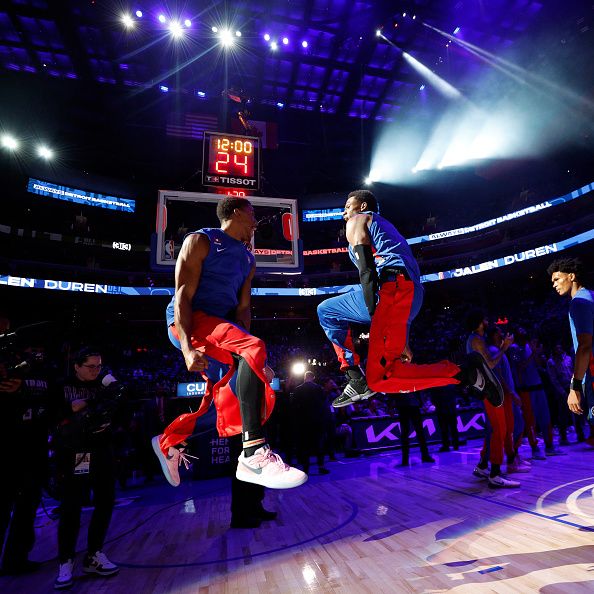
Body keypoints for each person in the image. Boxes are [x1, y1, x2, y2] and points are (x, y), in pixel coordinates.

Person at [152, 196, 306, 490]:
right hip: (190, 321)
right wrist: (186, 346)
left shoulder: (248, 257)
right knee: (252, 351)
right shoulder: (201, 240)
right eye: (252, 214)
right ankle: (252, 452)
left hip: (221, 328)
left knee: (232, 398)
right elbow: (183, 294)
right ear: (237, 213)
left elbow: (243, 309)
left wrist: (252, 357)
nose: (256, 221)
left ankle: (168, 442)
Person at [317, 189, 503, 407]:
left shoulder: (359, 220)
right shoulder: (387, 228)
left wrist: (376, 314)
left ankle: (464, 373)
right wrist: (401, 334)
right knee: (388, 371)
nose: (344, 212)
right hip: (408, 294)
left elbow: (366, 271)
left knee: (376, 375)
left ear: (363, 206)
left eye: (348, 206)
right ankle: (469, 375)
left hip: (391, 291)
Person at [53, 348, 121, 590]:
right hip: (74, 453)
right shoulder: (62, 386)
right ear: (77, 366)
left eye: (99, 366)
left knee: (105, 503)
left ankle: (94, 554)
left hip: (102, 450)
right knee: (71, 508)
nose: (95, 370)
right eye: (91, 366)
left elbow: (123, 406)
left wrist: (113, 389)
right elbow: (54, 414)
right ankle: (65, 561)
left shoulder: (105, 385)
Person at [466, 311, 520, 488]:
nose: (488, 321)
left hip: (489, 390)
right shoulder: (476, 340)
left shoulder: (476, 339)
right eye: (485, 319)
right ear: (480, 322)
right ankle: (495, 474)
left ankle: (483, 467)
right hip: (489, 390)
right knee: (500, 430)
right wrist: (505, 347)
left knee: (495, 430)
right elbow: (489, 364)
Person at [548, 258, 594, 442]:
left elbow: (584, 346)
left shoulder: (578, 303)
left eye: (557, 279)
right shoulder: (591, 295)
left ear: (572, 276)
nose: (554, 285)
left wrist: (574, 387)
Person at [291, 371, 330, 475]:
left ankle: (305, 468)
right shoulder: (319, 389)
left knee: (305, 446)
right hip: (317, 422)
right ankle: (321, 467)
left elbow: (294, 407)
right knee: (319, 445)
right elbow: (324, 405)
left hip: (304, 423)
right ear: (313, 377)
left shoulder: (298, 389)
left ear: (304, 378)